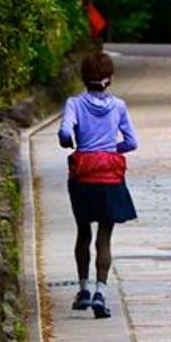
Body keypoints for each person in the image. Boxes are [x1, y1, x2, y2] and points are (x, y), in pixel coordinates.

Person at [58, 50, 138, 319]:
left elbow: (65, 132)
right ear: (110, 79)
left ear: (83, 78)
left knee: (83, 232)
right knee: (105, 237)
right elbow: (132, 142)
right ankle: (100, 293)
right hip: (109, 176)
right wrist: (112, 148)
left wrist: (70, 141)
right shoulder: (119, 106)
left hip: (83, 176)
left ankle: (82, 290)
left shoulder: (74, 104)